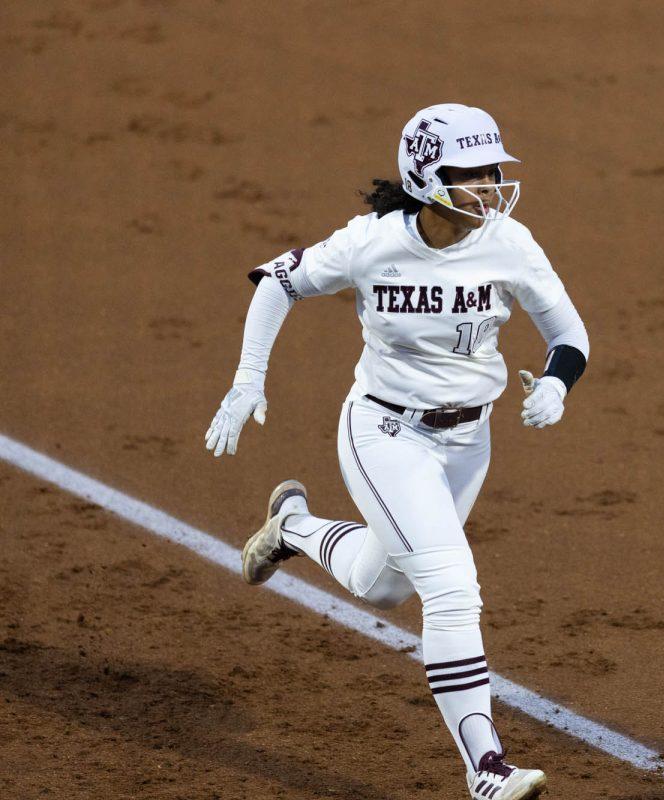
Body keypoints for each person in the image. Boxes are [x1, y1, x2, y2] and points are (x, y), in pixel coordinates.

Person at [203, 103, 588, 800]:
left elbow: (570, 335)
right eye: (474, 174)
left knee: (384, 585)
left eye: (495, 171)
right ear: (428, 176)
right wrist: (245, 381)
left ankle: (291, 525)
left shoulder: (510, 243)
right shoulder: (370, 244)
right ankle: (487, 767)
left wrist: (558, 386)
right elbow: (278, 281)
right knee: (451, 589)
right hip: (385, 434)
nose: (492, 187)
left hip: (470, 442)